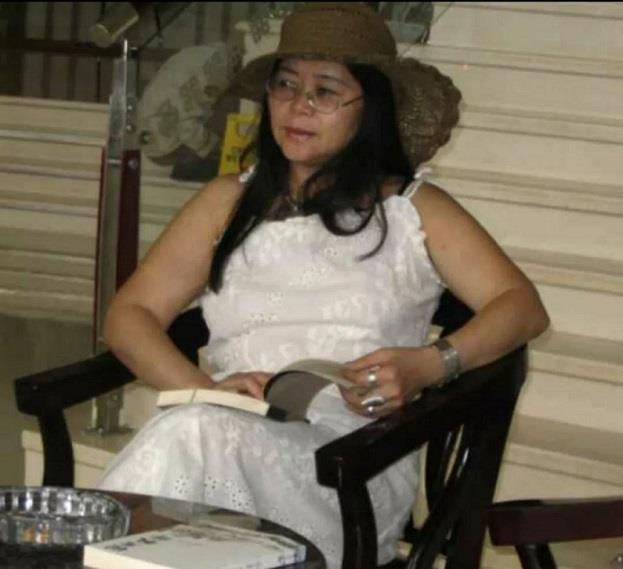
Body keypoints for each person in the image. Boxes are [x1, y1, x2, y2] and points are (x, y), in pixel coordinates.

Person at [98, 3, 550, 568]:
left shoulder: (414, 209)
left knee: (186, 444)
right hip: (224, 436)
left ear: (372, 107)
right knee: (192, 434)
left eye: (327, 90)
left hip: (349, 466)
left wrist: (430, 364)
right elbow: (129, 315)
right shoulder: (227, 201)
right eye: (286, 84)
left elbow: (521, 308)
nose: (299, 105)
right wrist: (203, 390)